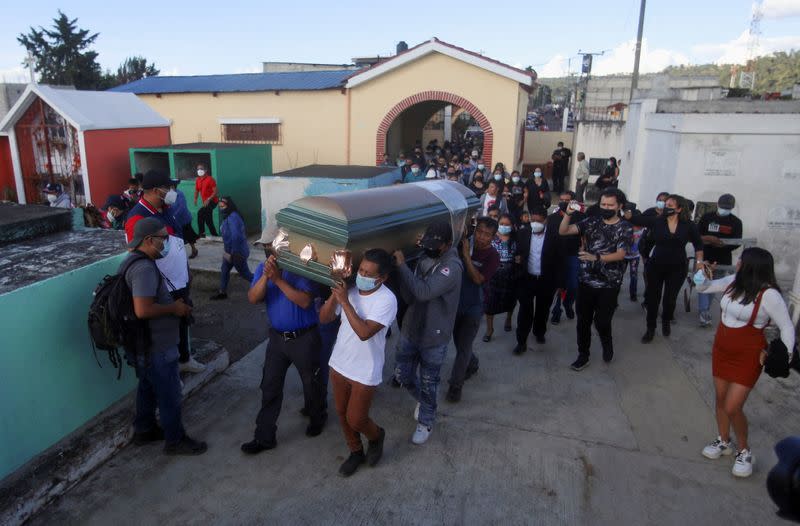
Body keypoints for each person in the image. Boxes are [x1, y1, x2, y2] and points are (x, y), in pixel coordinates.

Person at [696, 248, 794, 478]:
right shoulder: (733, 282)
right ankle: (723, 441)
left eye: (741, 259)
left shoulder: (769, 295)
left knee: (732, 406)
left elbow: (787, 326)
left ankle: (744, 451)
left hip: (748, 356)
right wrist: (701, 275)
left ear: (750, 265)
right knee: (720, 399)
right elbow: (705, 288)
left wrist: (782, 356)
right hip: (721, 350)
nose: (737, 261)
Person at [123, 217, 207, 455]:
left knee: (147, 387)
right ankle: (175, 440)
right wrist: (174, 309)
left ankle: (144, 429)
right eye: (164, 239)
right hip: (156, 345)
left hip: (146, 345)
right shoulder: (143, 269)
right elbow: (142, 309)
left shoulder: (134, 262)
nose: (167, 244)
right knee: (169, 394)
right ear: (149, 241)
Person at [241, 231, 326, 454]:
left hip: (304, 338)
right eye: (265, 246)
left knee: (312, 383)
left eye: (271, 245)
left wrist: (278, 280)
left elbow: (305, 301)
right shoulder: (263, 269)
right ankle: (264, 436)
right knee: (269, 385)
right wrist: (267, 278)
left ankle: (318, 417)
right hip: (277, 340)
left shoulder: (302, 268)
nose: (268, 250)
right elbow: (253, 298)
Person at [319, 249, 397, 477]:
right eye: (360, 269)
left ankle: (376, 436)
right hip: (340, 362)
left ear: (381, 278)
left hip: (365, 368)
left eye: (367, 273)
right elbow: (324, 318)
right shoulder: (350, 290)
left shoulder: (387, 300)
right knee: (342, 413)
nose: (361, 275)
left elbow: (364, 332)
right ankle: (355, 451)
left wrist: (345, 302)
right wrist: (336, 294)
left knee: (357, 418)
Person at [125, 170, 205, 374]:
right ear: (153, 191)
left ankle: (185, 359)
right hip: (161, 283)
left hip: (179, 278)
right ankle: (170, 372)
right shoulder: (137, 218)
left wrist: (186, 271)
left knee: (182, 321)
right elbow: (138, 253)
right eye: (167, 188)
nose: (172, 191)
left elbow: (176, 242)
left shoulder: (165, 209)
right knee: (165, 328)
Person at [392, 221, 463, 445]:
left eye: (436, 244)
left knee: (429, 381)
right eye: (429, 242)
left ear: (448, 244)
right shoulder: (425, 255)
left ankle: (426, 421)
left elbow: (423, 292)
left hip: (434, 335)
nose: (431, 247)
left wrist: (402, 265)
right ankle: (424, 402)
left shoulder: (451, 267)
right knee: (402, 375)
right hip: (411, 328)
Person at [559, 188, 632, 370]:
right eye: (603, 204)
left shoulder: (625, 227)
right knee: (583, 320)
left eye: (610, 205)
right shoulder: (591, 221)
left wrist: (596, 257)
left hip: (609, 283)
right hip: (586, 280)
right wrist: (568, 214)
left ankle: (607, 343)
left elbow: (621, 254)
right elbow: (564, 231)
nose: (606, 207)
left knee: (602, 321)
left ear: (619, 206)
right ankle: (583, 355)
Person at [625, 195, 704, 343]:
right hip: (656, 265)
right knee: (653, 299)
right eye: (666, 204)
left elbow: (698, 245)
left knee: (670, 300)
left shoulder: (689, 225)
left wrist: (699, 262)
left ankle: (666, 320)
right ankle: (650, 328)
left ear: (680, 209)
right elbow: (635, 219)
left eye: (670, 206)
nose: (666, 208)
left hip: (678, 267)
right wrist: (625, 209)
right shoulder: (657, 221)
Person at [449, 217, 499, 402]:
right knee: (460, 343)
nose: (481, 237)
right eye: (479, 232)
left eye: (487, 235)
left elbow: (478, 279)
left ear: (493, 238)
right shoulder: (463, 245)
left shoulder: (492, 256)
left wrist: (467, 258)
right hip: (455, 305)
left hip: (474, 307)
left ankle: (455, 386)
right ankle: (473, 362)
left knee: (463, 347)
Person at [513, 207, 561, 355]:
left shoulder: (555, 236)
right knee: (525, 311)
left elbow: (561, 260)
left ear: (545, 221)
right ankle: (521, 341)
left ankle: (539, 332)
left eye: (538, 221)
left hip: (546, 280)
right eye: (532, 220)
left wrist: (560, 283)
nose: (534, 224)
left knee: (543, 309)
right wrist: (518, 259)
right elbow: (518, 252)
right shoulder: (523, 233)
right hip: (527, 278)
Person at [697, 194, 743, 328]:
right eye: (723, 207)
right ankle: (704, 311)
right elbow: (697, 236)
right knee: (703, 283)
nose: (725, 209)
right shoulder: (707, 218)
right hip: (706, 257)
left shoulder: (736, 222)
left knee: (714, 285)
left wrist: (724, 245)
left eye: (728, 208)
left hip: (723, 259)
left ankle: (704, 308)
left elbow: (738, 242)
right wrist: (708, 239)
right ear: (718, 204)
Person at [549, 191, 584, 324]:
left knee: (574, 285)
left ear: (573, 202)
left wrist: (583, 248)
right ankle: (557, 311)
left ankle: (568, 304)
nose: (563, 202)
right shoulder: (553, 218)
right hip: (557, 256)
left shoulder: (580, 216)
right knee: (559, 286)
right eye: (561, 199)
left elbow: (584, 235)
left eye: (567, 200)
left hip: (573, 255)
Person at [210, 197, 253, 300]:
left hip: (237, 252)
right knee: (224, 269)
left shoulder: (233, 217)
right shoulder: (228, 216)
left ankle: (264, 286)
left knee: (245, 274)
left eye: (223, 206)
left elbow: (236, 236)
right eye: (219, 207)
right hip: (229, 251)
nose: (221, 209)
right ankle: (222, 292)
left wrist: (233, 253)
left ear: (229, 206)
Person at [484, 214, 518, 339]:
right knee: (490, 304)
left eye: (507, 224)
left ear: (512, 226)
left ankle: (508, 319)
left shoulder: (516, 239)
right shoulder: (491, 238)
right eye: (501, 224)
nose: (503, 226)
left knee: (510, 300)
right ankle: (489, 329)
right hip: (493, 276)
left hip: (510, 275)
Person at [167, 179, 199, 259]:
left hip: (184, 219)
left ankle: (194, 249)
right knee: (177, 237)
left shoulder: (179, 194)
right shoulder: (169, 194)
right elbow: (168, 205)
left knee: (188, 235)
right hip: (175, 220)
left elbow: (182, 207)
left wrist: (174, 215)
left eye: (169, 186)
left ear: (173, 186)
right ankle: (180, 252)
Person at [193, 163, 219, 238]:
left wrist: (209, 199)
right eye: (198, 169)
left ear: (205, 170)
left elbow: (215, 191)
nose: (199, 170)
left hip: (213, 201)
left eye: (201, 169)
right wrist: (195, 198)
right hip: (205, 202)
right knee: (208, 219)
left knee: (200, 213)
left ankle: (201, 233)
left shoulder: (210, 179)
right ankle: (214, 234)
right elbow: (197, 190)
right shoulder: (198, 180)